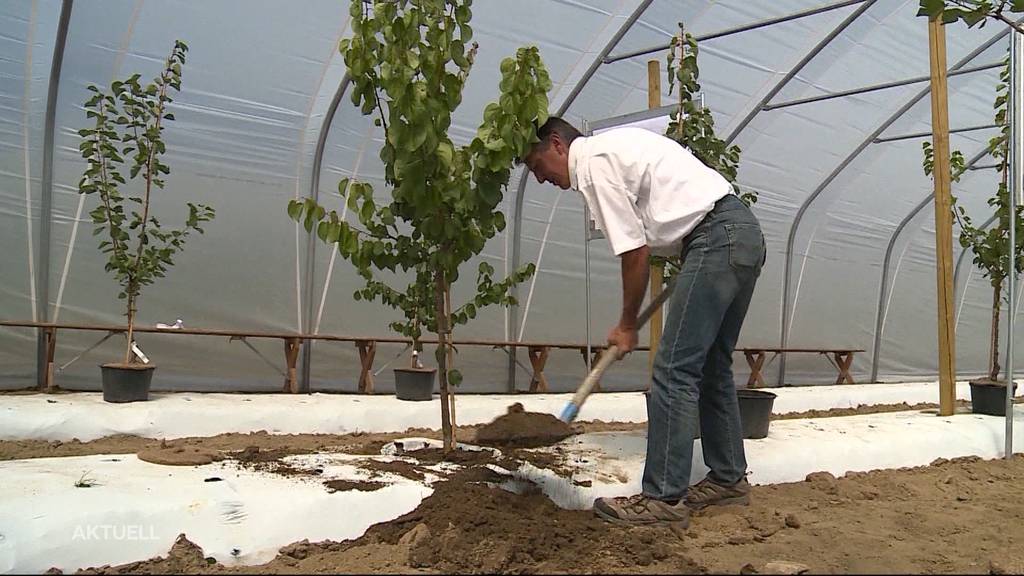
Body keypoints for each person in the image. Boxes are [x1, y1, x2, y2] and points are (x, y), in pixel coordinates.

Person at [522, 116, 765, 527]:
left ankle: (664, 498)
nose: (541, 178)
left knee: (674, 370)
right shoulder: (614, 150)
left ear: (558, 144)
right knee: (711, 367)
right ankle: (727, 478)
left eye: (537, 165)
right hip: (740, 233)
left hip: (714, 237)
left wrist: (626, 324)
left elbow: (634, 253)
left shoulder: (593, 163)